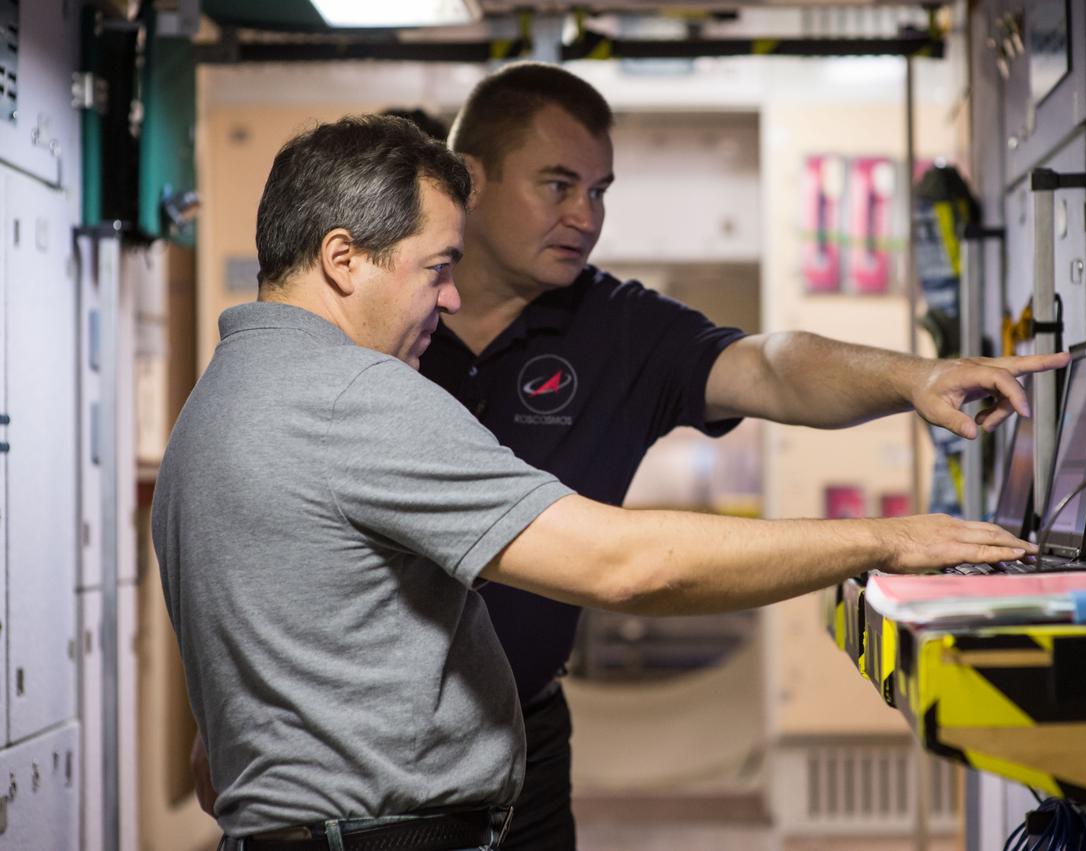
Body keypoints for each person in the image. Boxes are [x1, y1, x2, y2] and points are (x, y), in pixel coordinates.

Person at [166, 113, 1042, 849]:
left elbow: (219, 755)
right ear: (343, 258)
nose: (450, 298)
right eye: (436, 269)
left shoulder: (218, 401)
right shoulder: (355, 396)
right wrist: (887, 539)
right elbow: (628, 565)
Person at [408, 62, 1072, 851]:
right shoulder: (386, 317)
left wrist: (912, 376)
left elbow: (770, 365)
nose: (585, 216)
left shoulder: (616, 327)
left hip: (523, 734)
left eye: (600, 190)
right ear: (470, 180)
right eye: (557, 185)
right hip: (370, 747)